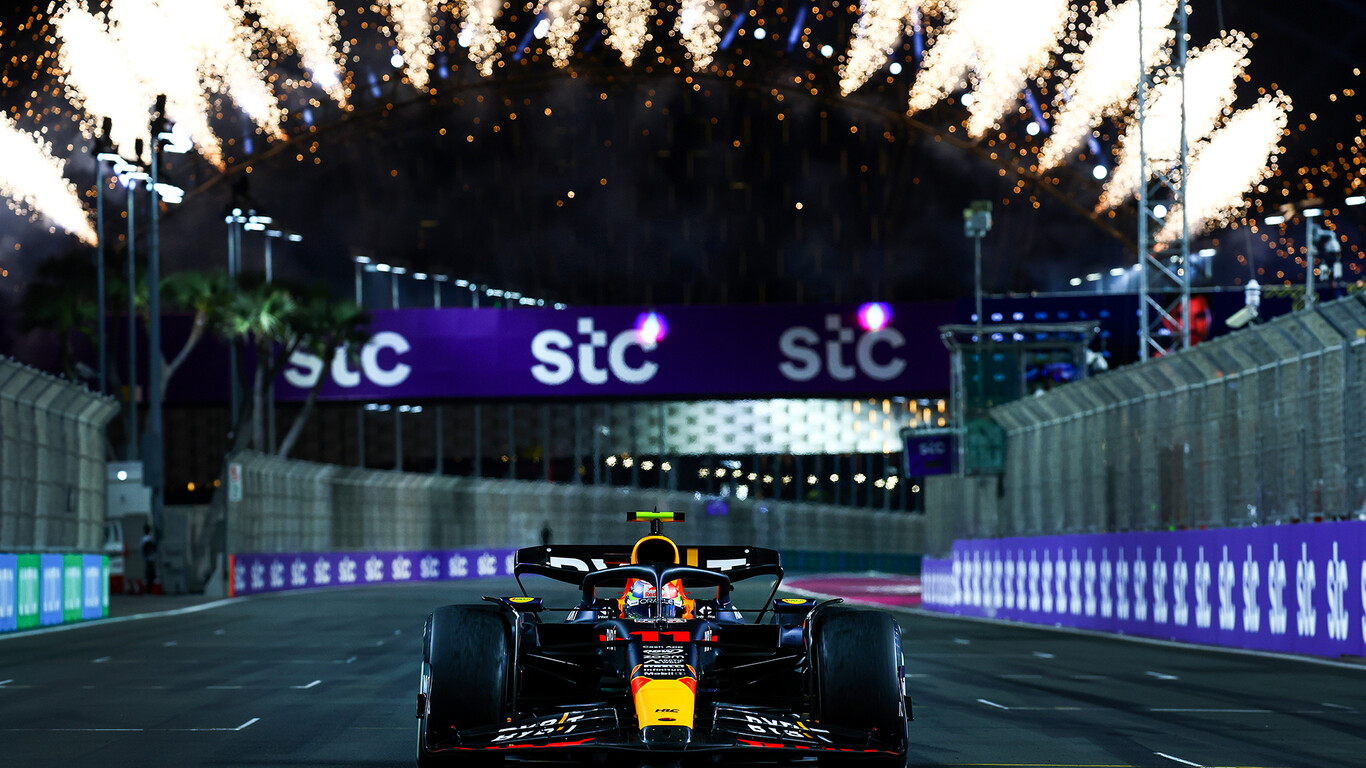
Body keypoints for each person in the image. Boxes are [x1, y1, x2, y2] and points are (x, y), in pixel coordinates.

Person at [140, 524, 157, 593]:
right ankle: (149, 589)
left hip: (149, 557)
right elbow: (146, 548)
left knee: (150, 573)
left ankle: (150, 588)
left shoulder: (146, 538)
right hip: (148, 558)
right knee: (150, 573)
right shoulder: (146, 539)